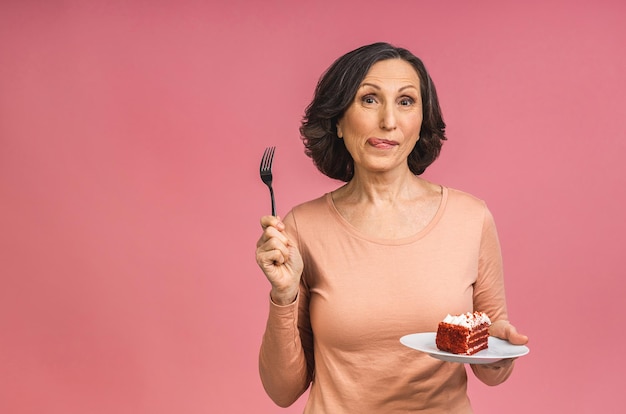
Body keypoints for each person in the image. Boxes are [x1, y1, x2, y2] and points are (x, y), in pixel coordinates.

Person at [255, 42, 528, 413]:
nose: (388, 121)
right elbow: (282, 391)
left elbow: (492, 369)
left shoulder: (471, 218)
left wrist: (499, 353)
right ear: (337, 120)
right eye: (369, 99)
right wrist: (283, 296)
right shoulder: (302, 227)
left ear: (421, 121)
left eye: (405, 101)